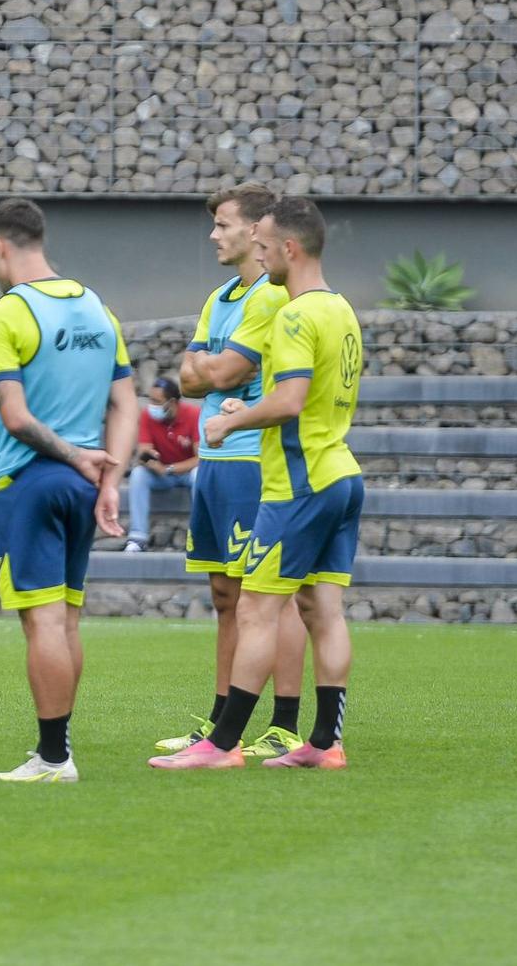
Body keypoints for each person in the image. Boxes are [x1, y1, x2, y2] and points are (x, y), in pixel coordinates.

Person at [152, 196, 362, 771]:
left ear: (289, 249)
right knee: (324, 609)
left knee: (257, 611)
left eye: (265, 246)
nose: (259, 256)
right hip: (341, 471)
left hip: (298, 480)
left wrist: (228, 421)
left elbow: (289, 399)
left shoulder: (292, 312)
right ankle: (325, 743)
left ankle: (224, 746)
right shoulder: (340, 308)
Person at [0, 199, 139, 784]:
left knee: (42, 623)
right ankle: (58, 751)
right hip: (82, 484)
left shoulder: (6, 314)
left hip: (33, 480)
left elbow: (16, 418)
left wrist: (71, 455)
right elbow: (126, 403)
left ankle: (51, 759)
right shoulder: (98, 309)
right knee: (66, 621)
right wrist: (108, 475)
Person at [126, 377, 199, 552]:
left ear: (172, 402)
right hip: (161, 475)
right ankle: (138, 537)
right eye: (150, 399)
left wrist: (169, 469)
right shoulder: (146, 415)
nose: (151, 405)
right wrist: (149, 457)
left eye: (156, 401)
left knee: (200, 474)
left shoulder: (194, 414)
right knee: (138, 474)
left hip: (186, 472)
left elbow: (201, 458)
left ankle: (199, 536)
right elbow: (144, 449)